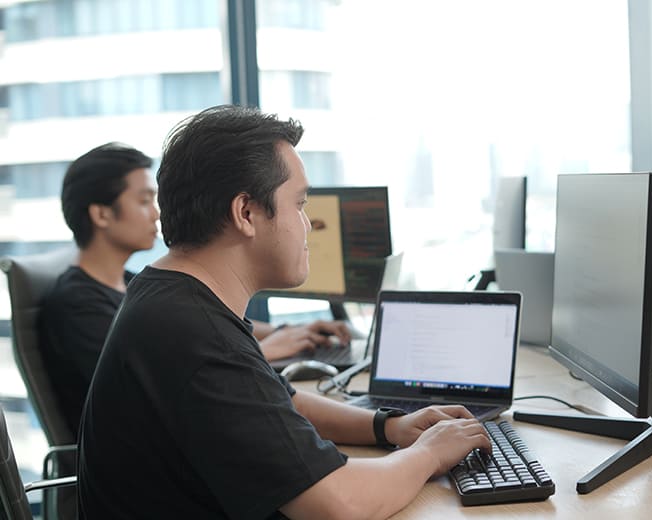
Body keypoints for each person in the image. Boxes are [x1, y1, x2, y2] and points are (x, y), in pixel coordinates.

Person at [77, 105, 490, 519]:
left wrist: (387, 426)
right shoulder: (191, 332)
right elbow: (338, 505)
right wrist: (431, 453)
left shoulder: (172, 296)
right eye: (300, 204)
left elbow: (281, 402)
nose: (308, 225)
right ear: (246, 213)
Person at [40, 143, 350, 435]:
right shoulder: (77, 303)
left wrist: (285, 330)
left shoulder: (133, 283)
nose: (157, 213)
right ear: (101, 214)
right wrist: (262, 352)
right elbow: (157, 385)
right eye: (145, 200)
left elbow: (198, 336)